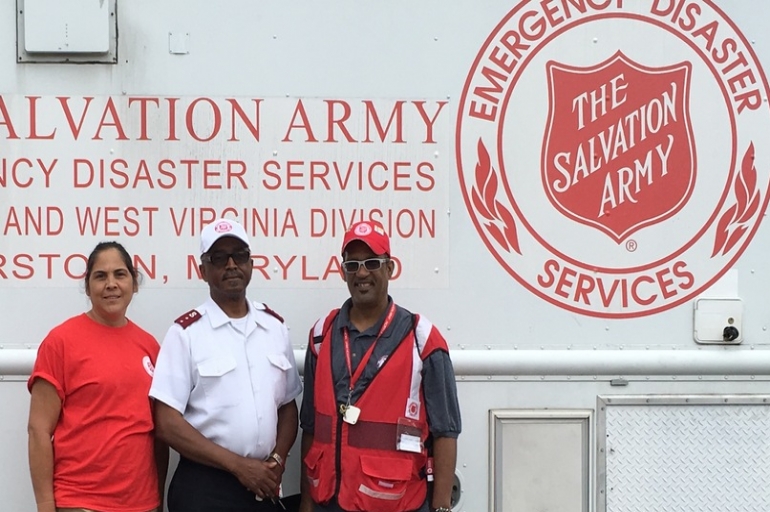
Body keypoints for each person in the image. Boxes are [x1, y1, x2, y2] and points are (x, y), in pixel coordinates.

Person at [299, 220, 462, 512]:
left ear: (390, 268)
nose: (362, 273)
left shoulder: (421, 338)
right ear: (343, 270)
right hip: (329, 502)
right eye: (353, 264)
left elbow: (445, 432)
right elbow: (311, 428)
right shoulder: (321, 335)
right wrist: (306, 504)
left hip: (397, 504)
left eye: (372, 262)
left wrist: (440, 507)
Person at [150, 218, 302, 511]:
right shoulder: (186, 333)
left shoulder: (274, 328)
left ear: (251, 264)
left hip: (264, 484)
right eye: (219, 258)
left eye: (240, 255)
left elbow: (286, 406)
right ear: (202, 270)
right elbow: (167, 423)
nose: (231, 264)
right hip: (206, 487)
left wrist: (277, 460)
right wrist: (239, 467)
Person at [27, 241, 167, 512]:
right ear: (88, 287)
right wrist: (45, 505)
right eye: (100, 276)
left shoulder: (150, 346)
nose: (111, 284)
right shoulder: (61, 342)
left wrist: (157, 499)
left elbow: (158, 435)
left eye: (120, 274)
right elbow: (38, 430)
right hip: (80, 502)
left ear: (134, 283)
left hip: (142, 504)